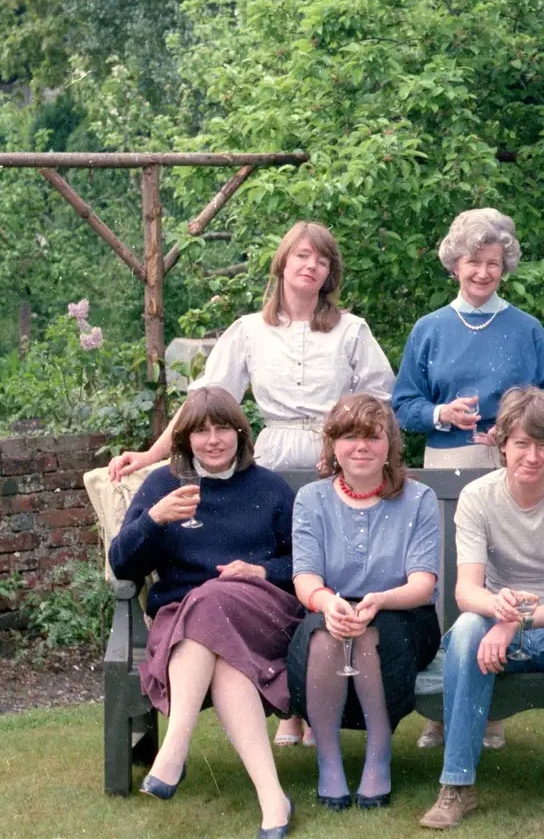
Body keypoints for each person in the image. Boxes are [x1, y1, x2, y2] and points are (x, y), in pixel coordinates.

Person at [109, 219, 393, 746]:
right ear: (283, 263)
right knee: (280, 561)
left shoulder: (351, 330)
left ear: (330, 273)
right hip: (277, 454)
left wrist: (355, 453)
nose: (311, 266)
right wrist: (151, 453)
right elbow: (205, 402)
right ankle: (292, 714)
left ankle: (307, 693)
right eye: (302, 256)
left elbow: (378, 403)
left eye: (322, 260)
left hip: (334, 460)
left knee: (321, 567)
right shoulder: (248, 331)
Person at [393, 207, 544, 749]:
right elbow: (401, 406)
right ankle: (443, 709)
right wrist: (444, 415)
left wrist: (512, 427)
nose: (483, 273)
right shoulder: (430, 329)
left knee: (498, 580)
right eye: (473, 262)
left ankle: (490, 713)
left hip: (512, 465)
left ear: (504, 266)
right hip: (445, 466)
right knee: (448, 584)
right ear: (455, 264)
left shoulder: (526, 328)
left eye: (493, 263)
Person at [419, 387, 544, 831]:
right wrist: (500, 614)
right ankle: (457, 785)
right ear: (502, 443)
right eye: (522, 443)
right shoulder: (478, 497)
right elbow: (467, 592)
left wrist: (516, 622)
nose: (532, 455)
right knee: (468, 631)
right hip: (496, 613)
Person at [107, 386, 298, 839]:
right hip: (183, 622)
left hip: (261, 612)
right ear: (185, 439)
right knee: (220, 648)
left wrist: (259, 569)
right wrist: (154, 520)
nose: (213, 440)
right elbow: (122, 564)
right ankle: (274, 799)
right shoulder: (162, 487)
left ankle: (173, 751)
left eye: (223, 429)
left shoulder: (269, 488)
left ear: (240, 433)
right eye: (200, 431)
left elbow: (304, 565)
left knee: (212, 596)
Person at [284, 393, 442, 811]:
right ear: (333, 445)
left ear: (389, 444)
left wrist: (380, 599)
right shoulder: (311, 499)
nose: (361, 447)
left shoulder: (419, 499)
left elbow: (423, 584)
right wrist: (324, 601)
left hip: (404, 611)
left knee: (369, 635)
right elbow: (305, 577)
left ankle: (378, 755)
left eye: (372, 437)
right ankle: (329, 762)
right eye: (350, 436)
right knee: (323, 639)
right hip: (330, 606)